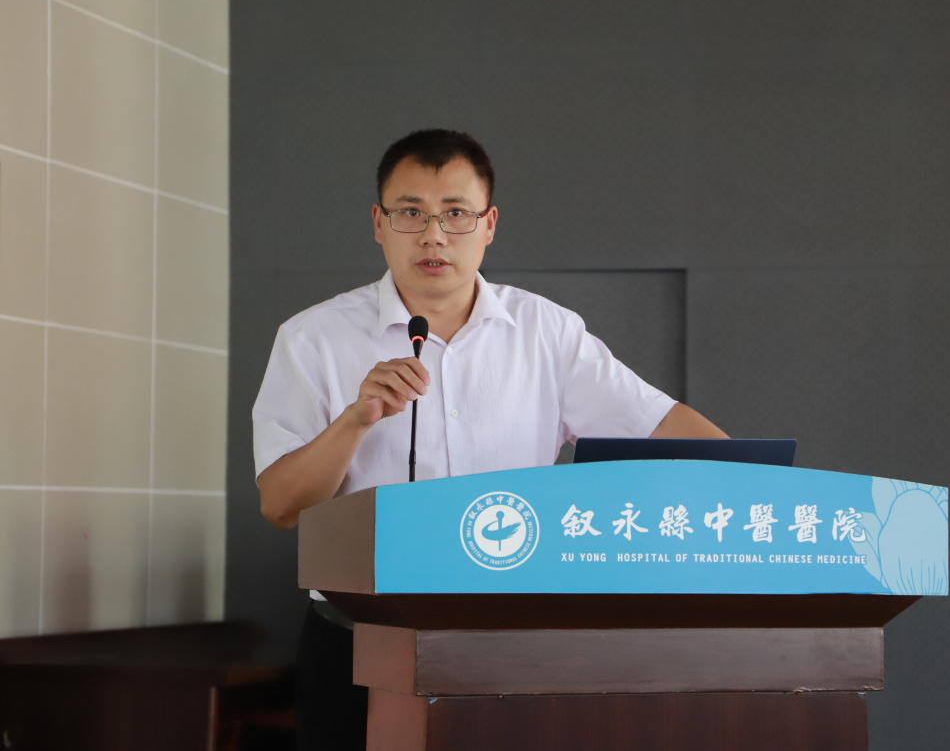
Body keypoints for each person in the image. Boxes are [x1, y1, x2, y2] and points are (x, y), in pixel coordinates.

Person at [252, 128, 726, 750]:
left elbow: (666, 429)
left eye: (456, 213)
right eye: (410, 213)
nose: (433, 235)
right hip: (358, 637)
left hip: (512, 640)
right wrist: (355, 421)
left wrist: (768, 487)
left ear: (489, 224)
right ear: (378, 223)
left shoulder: (547, 332)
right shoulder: (313, 339)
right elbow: (281, 506)